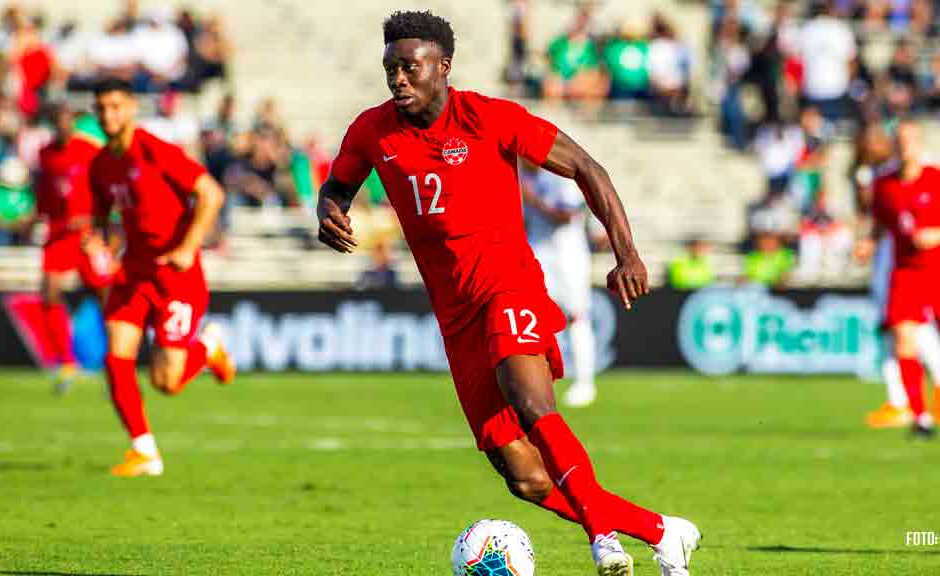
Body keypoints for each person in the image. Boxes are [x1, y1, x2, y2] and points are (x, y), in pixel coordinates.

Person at [316, 11, 700, 576]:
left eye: (409, 67)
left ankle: (605, 544)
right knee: (521, 475)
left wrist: (627, 254)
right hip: (457, 317)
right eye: (390, 68)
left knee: (532, 403)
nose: (398, 79)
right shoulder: (373, 131)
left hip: (508, 287)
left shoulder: (489, 118)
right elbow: (338, 186)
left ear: (442, 67)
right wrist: (328, 211)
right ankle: (660, 532)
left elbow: (588, 168)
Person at [86, 78, 236, 477]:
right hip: (134, 272)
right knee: (116, 355)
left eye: (116, 106)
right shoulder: (100, 165)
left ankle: (208, 348)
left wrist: (188, 247)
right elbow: (105, 222)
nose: (108, 115)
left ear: (132, 107)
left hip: (175, 275)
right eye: (101, 108)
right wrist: (99, 242)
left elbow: (211, 194)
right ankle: (145, 451)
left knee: (166, 382)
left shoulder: (155, 150)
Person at [870, 120, 940, 438]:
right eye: (900, 140)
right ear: (894, 144)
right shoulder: (884, 185)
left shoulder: (939, 179)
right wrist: (868, 242)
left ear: (920, 145)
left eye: (911, 140)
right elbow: (881, 222)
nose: (905, 146)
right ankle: (921, 418)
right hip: (906, 272)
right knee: (903, 337)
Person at [29, 102, 112, 391]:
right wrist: (37, 216)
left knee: (106, 294)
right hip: (59, 233)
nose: (65, 126)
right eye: (59, 121)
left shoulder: (88, 150)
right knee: (49, 293)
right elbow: (46, 192)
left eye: (68, 121)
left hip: (88, 233)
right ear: (53, 124)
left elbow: (106, 187)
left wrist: (97, 220)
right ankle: (66, 363)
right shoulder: (46, 154)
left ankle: (115, 361)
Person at [521, 161, 597, 408]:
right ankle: (537, 379)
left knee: (576, 316)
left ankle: (585, 382)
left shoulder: (558, 177)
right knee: (535, 318)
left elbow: (567, 216)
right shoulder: (517, 175)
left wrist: (534, 201)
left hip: (566, 254)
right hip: (536, 251)